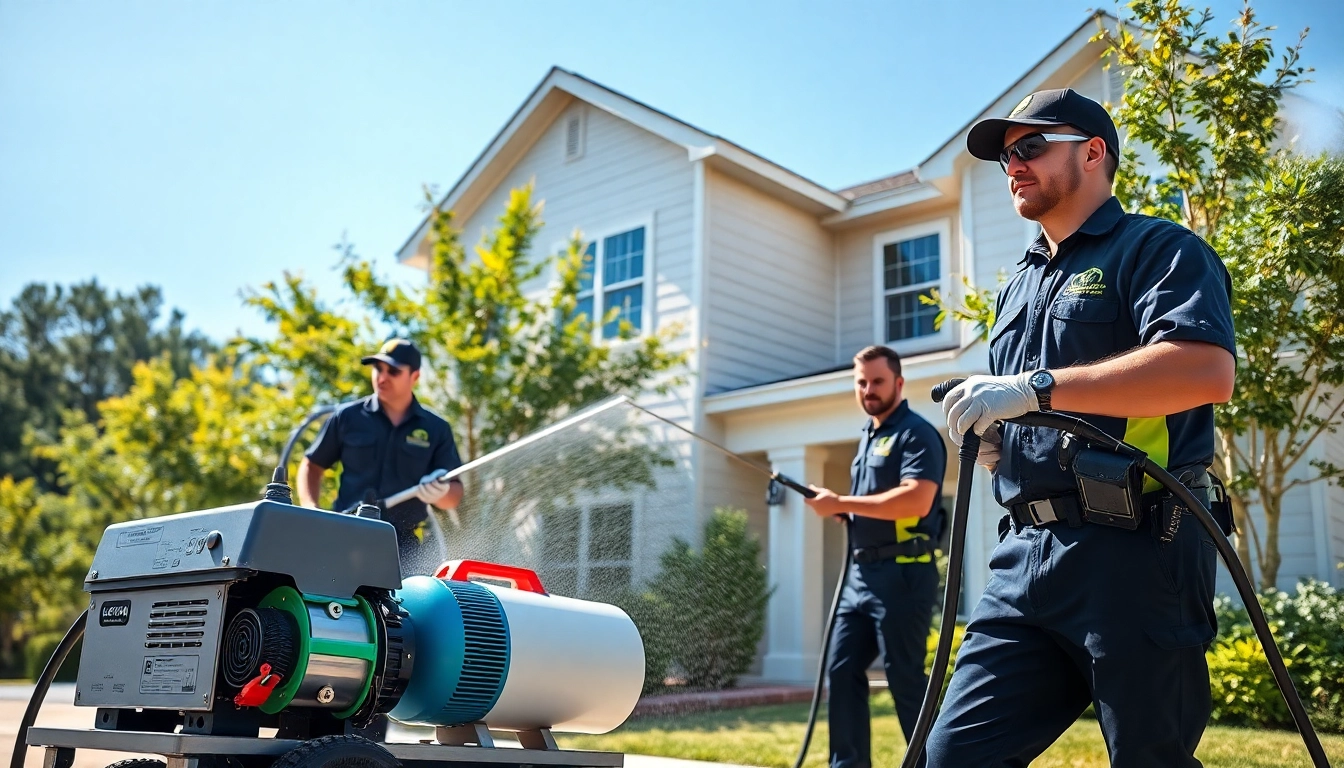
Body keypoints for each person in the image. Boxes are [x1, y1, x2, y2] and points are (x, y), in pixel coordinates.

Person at [922, 89, 1236, 767]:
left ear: (1093, 152)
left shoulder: (1157, 249)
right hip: (1024, 559)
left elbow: (1205, 370)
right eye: (1007, 156)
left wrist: (1032, 389)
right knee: (951, 758)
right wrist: (998, 442)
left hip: (1137, 554)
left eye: (1031, 146)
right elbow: (1039, 413)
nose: (1014, 165)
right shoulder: (1020, 284)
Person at [803, 345, 947, 768]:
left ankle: (934, 764)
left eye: (877, 381)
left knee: (905, 679)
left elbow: (917, 501)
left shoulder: (916, 433)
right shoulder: (869, 437)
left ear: (899, 383)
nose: (868, 389)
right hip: (861, 576)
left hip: (903, 575)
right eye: (861, 382)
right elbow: (873, 504)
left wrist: (843, 503)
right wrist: (849, 516)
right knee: (841, 670)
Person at [297, 339, 465, 573]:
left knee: (404, 609)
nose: (382, 377)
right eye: (378, 368)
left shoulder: (436, 429)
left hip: (402, 548)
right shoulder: (347, 417)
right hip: (344, 536)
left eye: (393, 371)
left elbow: (454, 495)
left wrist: (442, 492)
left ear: (415, 376)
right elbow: (311, 466)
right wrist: (311, 509)